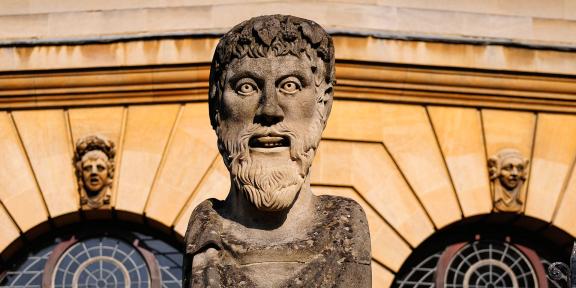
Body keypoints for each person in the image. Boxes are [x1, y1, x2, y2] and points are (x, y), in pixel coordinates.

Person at [183, 15, 371, 287]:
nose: (269, 110)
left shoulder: (345, 225)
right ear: (216, 110)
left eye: (291, 86)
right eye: (246, 87)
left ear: (323, 104)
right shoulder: (205, 227)